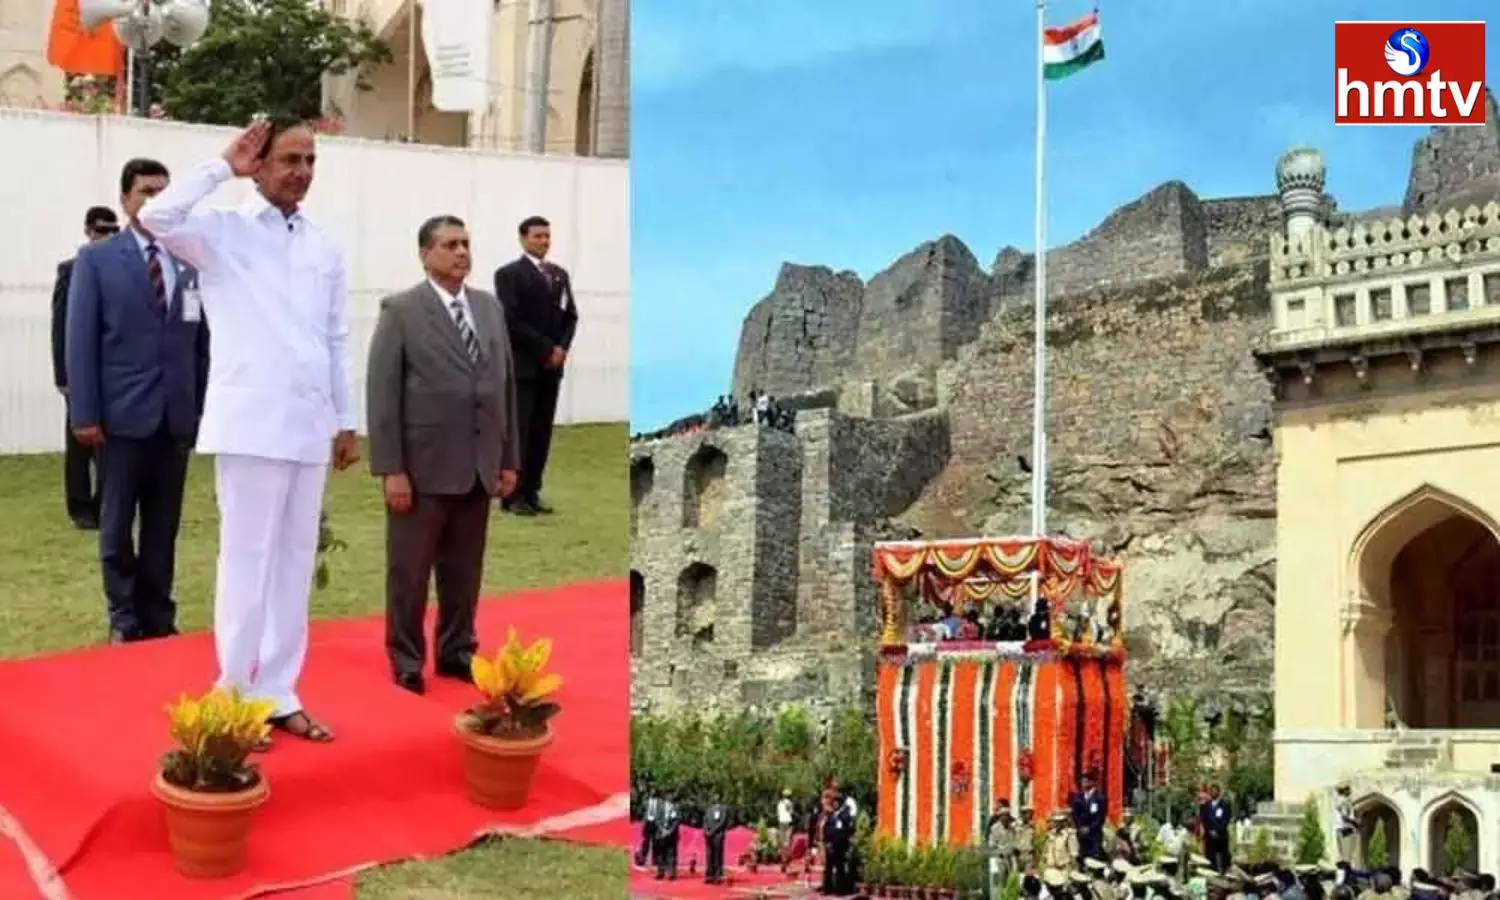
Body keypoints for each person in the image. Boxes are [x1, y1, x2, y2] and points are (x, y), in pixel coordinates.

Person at [137, 117, 360, 746]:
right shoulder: (222, 232)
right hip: (250, 422)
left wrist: (345, 420)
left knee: (293, 563)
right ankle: (232, 693)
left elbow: (336, 337)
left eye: (310, 160)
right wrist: (219, 167)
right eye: (289, 159)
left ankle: (280, 692)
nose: (301, 172)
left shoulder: (324, 244)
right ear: (259, 164)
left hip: (309, 423)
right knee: (246, 562)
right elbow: (156, 218)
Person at [366, 215, 520, 694]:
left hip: (478, 465)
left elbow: (504, 387)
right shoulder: (402, 311)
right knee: (409, 572)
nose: (461, 253)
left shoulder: (489, 308)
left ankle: (457, 651)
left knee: (463, 572)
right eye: (450, 244)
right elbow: (382, 394)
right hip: (423, 466)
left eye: (466, 243)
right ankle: (406, 657)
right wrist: (392, 468)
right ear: (425, 254)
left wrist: (509, 457)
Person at [67, 160, 208, 644]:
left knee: (162, 527)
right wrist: (84, 413)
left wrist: (199, 407)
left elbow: (201, 344)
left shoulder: (190, 264)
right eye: (146, 192)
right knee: (116, 522)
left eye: (164, 193)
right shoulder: (99, 260)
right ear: (126, 199)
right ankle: (123, 616)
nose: (156, 201)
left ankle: (158, 614)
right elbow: (80, 340)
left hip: (174, 417)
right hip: (120, 418)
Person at [492, 215, 577, 516]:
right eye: (538, 236)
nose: (544, 241)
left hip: (551, 369)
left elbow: (570, 316)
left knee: (541, 431)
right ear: (523, 238)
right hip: (525, 365)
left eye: (547, 236)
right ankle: (512, 494)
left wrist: (562, 349)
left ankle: (532, 490)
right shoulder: (509, 275)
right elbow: (511, 320)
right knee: (520, 431)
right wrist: (545, 348)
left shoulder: (559, 276)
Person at [52, 205, 118, 531]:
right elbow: (60, 326)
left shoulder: (118, 269)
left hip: (110, 373)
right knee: (79, 445)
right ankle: (80, 508)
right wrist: (63, 376)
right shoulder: (71, 269)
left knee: (109, 444)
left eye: (112, 230)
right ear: (88, 231)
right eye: (101, 229)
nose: (106, 236)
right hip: (78, 374)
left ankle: (105, 502)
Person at [1071, 771, 1107, 863]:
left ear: (1091, 782)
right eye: (1082, 781)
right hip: (1081, 833)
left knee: (1094, 858)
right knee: (1082, 857)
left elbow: (1101, 817)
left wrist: (1089, 829)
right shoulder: (1078, 797)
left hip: (1094, 834)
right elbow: (1075, 815)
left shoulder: (1099, 797)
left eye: (1085, 781)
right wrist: (1080, 827)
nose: (1083, 784)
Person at [1198, 784, 1233, 873]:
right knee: (1210, 855)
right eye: (1211, 791)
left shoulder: (1225, 804)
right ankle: (1212, 871)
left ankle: (1224, 872)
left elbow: (1226, 819)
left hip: (1221, 835)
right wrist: (1210, 830)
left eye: (1215, 791)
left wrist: (1217, 830)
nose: (1213, 793)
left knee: (1223, 855)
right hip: (1209, 835)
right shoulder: (1206, 805)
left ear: (1219, 792)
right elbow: (1203, 818)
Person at [702, 800, 732, 885]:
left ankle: (718, 876)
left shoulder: (723, 809)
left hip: (718, 835)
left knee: (717, 856)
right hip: (708, 836)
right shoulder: (709, 809)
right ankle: (709, 876)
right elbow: (704, 821)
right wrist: (706, 831)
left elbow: (722, 822)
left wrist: (712, 831)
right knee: (709, 856)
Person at [1333, 785, 1357, 865]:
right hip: (1346, 829)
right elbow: (1344, 817)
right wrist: (1355, 823)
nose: (1350, 793)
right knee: (1348, 857)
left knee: (1342, 855)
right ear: (1345, 791)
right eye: (1349, 791)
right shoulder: (1345, 802)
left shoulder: (1337, 801)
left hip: (1339, 829)